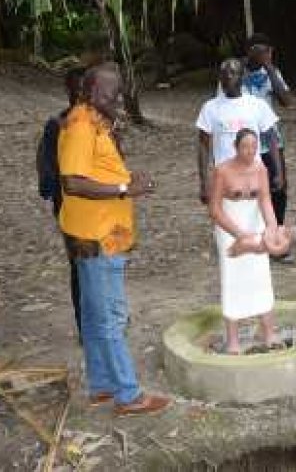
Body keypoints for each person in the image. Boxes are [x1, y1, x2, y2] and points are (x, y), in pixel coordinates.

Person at [58, 62, 169, 417]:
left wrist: (126, 178)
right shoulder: (80, 125)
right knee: (110, 317)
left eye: (119, 93)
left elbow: (96, 170)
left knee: (94, 315)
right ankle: (128, 395)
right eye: (110, 94)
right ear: (90, 92)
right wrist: (124, 188)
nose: (117, 100)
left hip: (102, 234)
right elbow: (72, 182)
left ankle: (102, 385)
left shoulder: (96, 121)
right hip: (97, 237)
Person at [209, 129, 293, 354]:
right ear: (236, 147)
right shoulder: (222, 170)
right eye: (245, 147)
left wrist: (272, 227)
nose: (250, 151)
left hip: (255, 222)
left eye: (254, 147)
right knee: (233, 276)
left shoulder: (260, 168)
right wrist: (238, 234)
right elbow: (215, 209)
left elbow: (265, 200)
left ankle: (268, 332)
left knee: (260, 274)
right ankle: (233, 340)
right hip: (229, 225)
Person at [37, 67, 85, 341]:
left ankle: (107, 316)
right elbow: (50, 175)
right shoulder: (57, 126)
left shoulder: (100, 123)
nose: (81, 95)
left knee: (103, 264)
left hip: (100, 209)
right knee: (79, 265)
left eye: (86, 89)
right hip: (70, 208)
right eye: (76, 89)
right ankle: (84, 325)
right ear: (67, 90)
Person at [197, 58, 283, 202]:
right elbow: (203, 146)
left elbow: (272, 139)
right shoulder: (210, 108)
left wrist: (279, 172)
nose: (228, 76)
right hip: (224, 179)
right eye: (224, 73)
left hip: (254, 178)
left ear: (242, 76)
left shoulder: (257, 105)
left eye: (233, 72)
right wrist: (204, 182)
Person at [243, 33, 292, 261]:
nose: (264, 54)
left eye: (267, 50)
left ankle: (276, 236)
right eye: (260, 51)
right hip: (245, 144)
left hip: (271, 141)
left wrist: (270, 68)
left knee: (278, 189)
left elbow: (286, 100)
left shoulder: (272, 72)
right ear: (249, 52)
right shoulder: (236, 74)